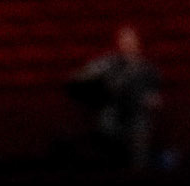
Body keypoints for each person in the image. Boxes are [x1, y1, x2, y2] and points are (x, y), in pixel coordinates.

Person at [69, 25, 161, 171]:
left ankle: (137, 174)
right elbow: (82, 76)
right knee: (106, 124)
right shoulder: (109, 64)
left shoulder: (147, 69)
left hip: (136, 114)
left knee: (140, 129)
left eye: (130, 39)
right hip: (113, 112)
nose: (127, 43)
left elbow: (154, 97)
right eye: (123, 39)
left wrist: (150, 101)